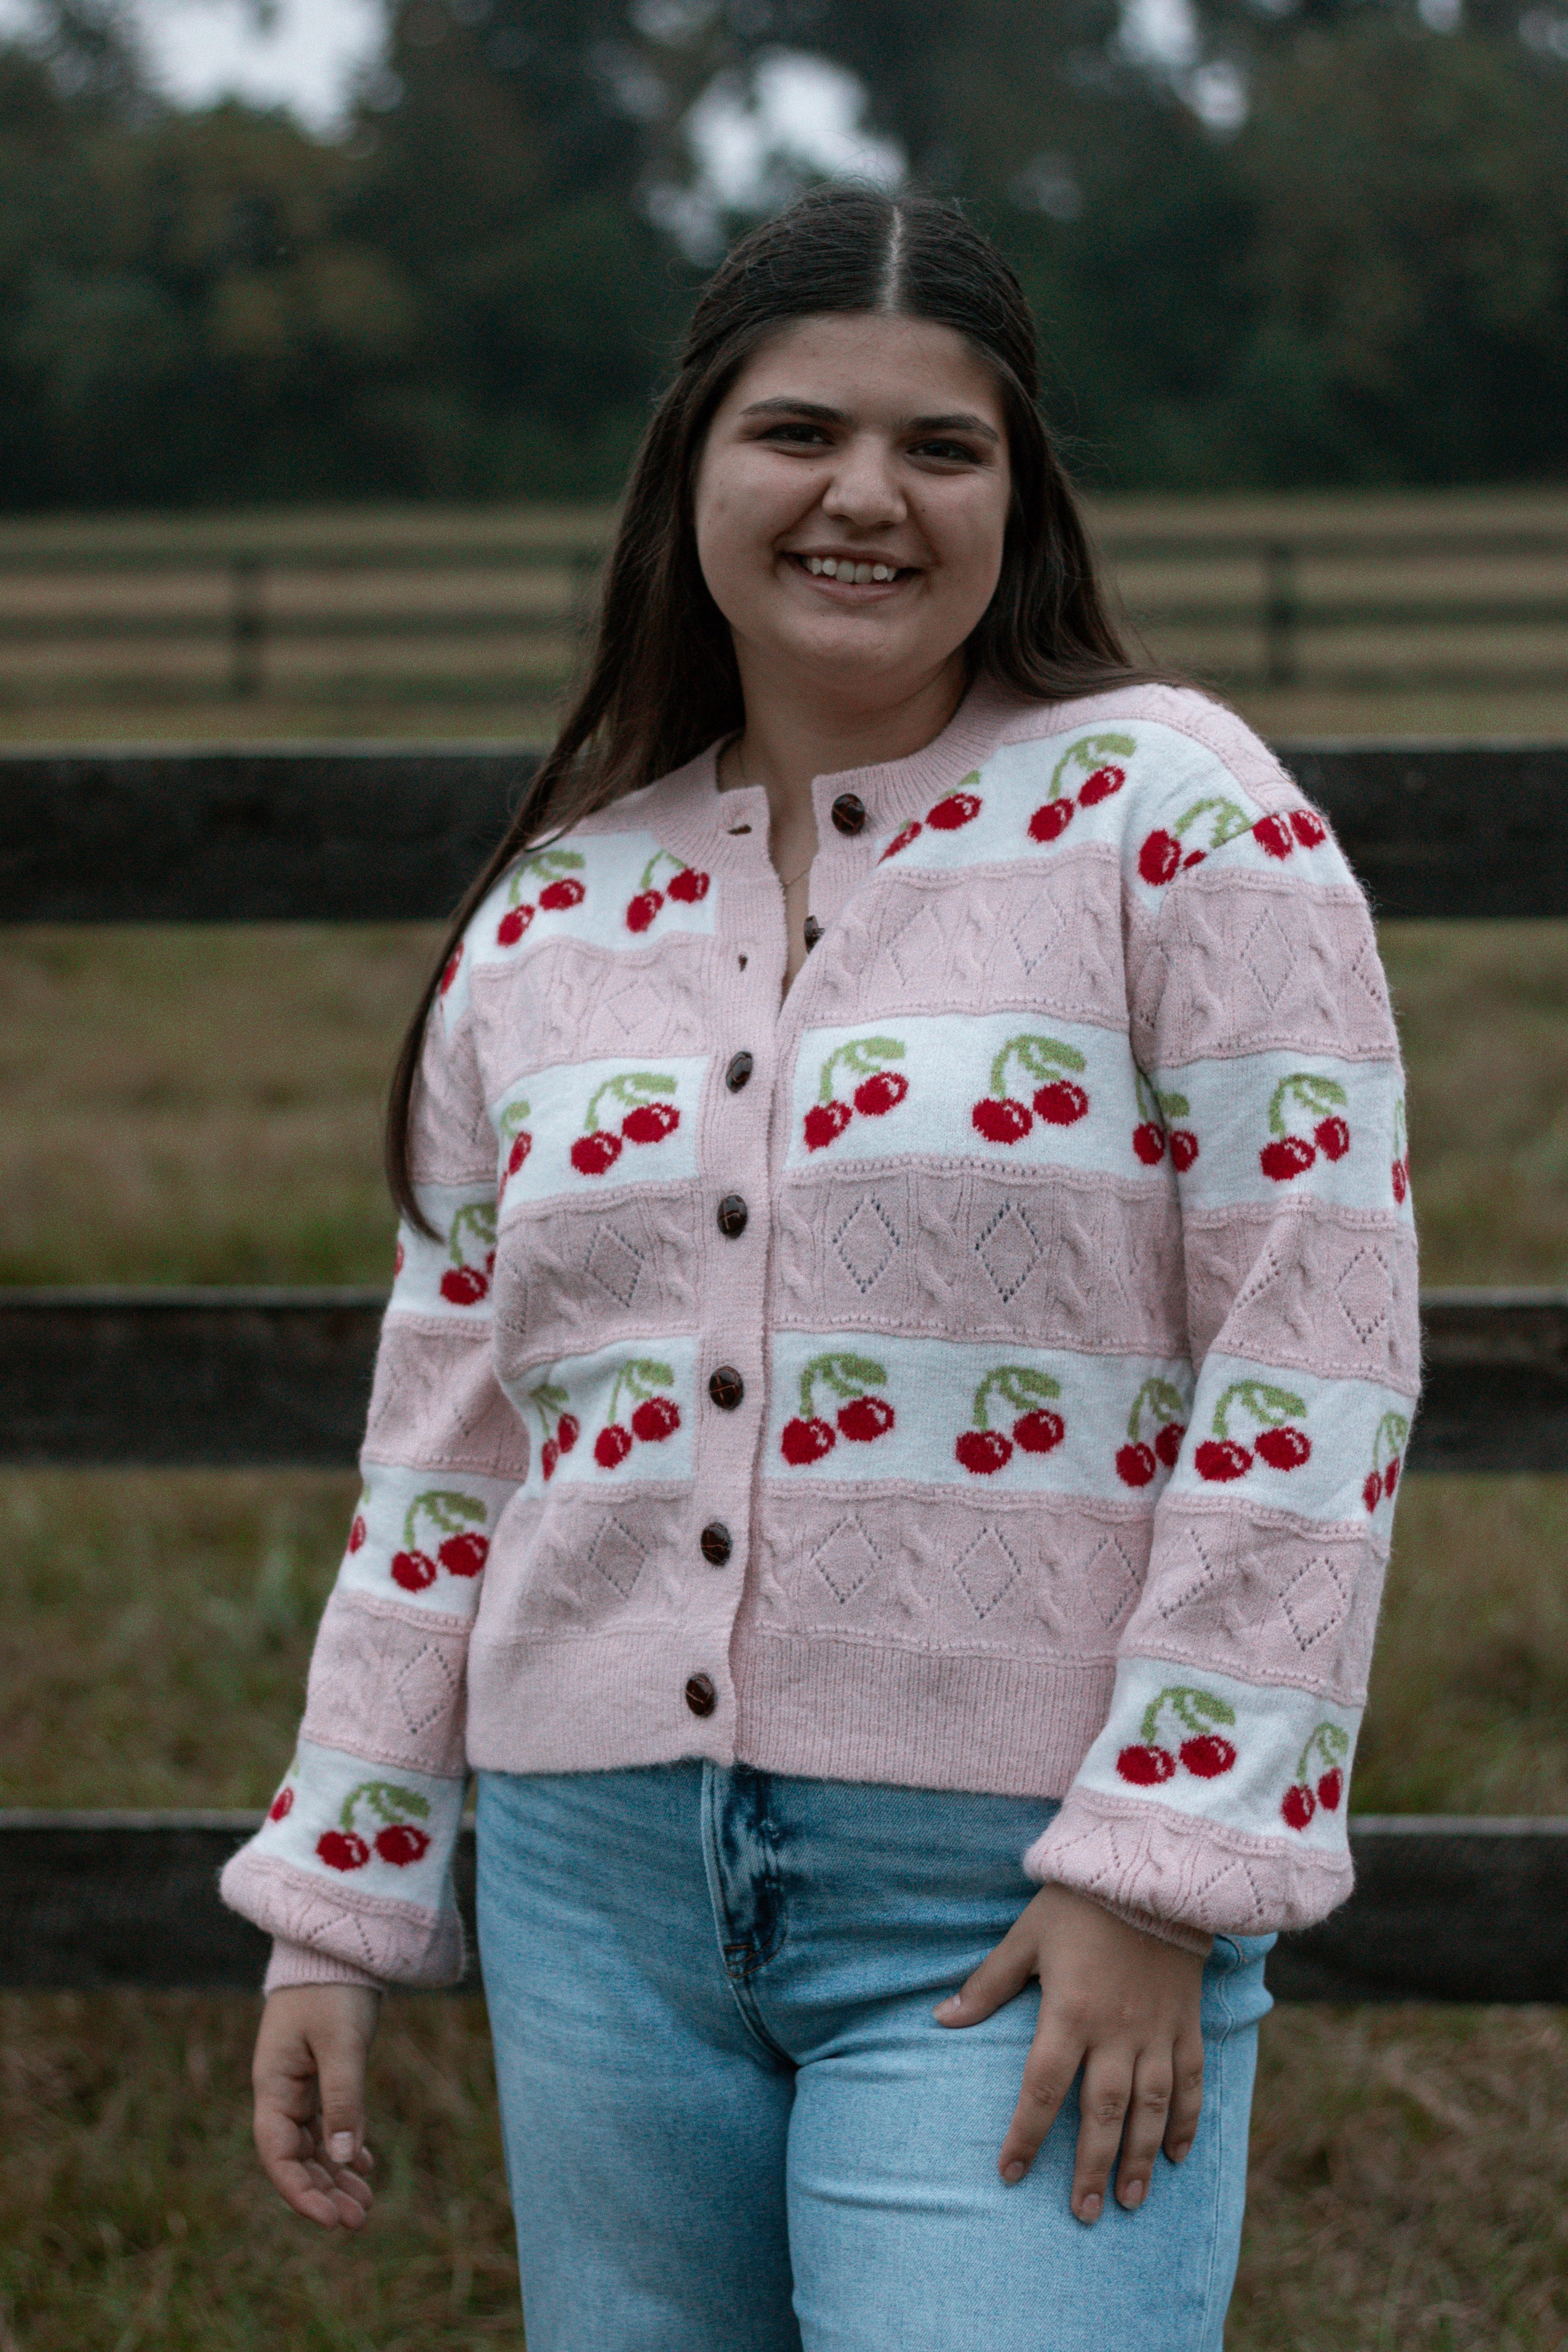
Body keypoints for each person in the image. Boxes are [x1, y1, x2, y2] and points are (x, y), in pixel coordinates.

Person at [222, 187, 1418, 2351]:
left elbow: (1310, 1359)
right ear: (691, 465)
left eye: (939, 447)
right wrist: (339, 1891)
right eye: (797, 431)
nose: (864, 495)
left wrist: (1159, 1867)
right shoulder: (549, 915)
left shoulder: (1176, 822)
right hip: (596, 1897)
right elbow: (446, 1450)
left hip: (1013, 1897)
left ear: (1014, 495)